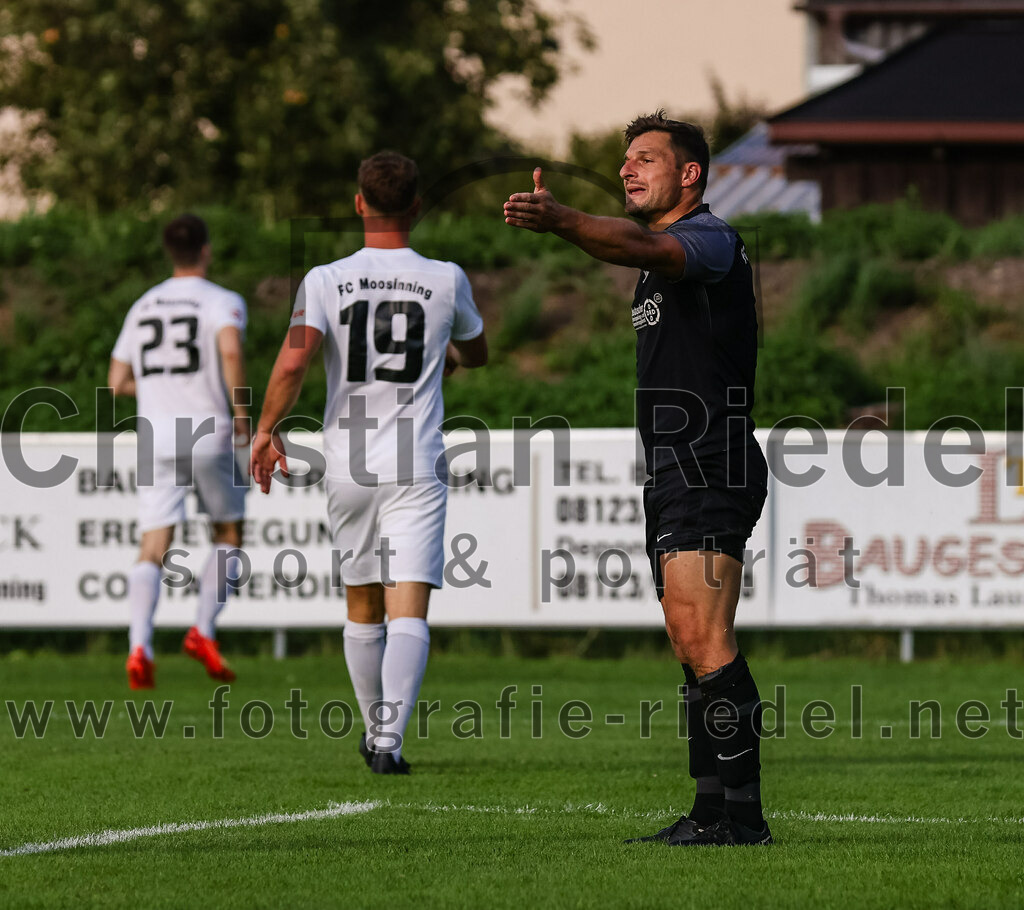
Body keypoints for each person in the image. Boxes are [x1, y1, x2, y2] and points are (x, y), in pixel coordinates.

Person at [504, 111, 771, 846]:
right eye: (625, 160)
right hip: (676, 468)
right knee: (690, 644)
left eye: (645, 159)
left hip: (710, 459)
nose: (627, 170)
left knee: (706, 639)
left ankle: (744, 820)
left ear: (689, 174)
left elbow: (636, 243)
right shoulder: (659, 262)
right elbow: (639, 248)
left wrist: (562, 220)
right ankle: (711, 810)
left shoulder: (709, 238)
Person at [251, 151, 488, 775]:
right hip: (415, 461)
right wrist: (452, 359)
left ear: (359, 203)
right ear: (415, 207)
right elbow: (477, 349)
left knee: (361, 600)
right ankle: (389, 742)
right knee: (409, 604)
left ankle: (373, 733)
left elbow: (294, 363)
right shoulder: (446, 278)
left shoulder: (325, 279)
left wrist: (266, 430)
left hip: (347, 460)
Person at [109, 213, 249, 690]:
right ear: (206, 249)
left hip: (156, 435)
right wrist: (244, 417)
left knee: (153, 544)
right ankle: (203, 630)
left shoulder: (142, 305)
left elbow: (116, 382)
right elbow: (230, 352)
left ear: (169, 251)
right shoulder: (222, 301)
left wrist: (155, 393)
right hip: (208, 432)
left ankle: (139, 645)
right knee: (228, 530)